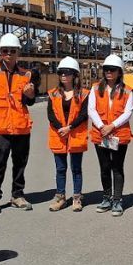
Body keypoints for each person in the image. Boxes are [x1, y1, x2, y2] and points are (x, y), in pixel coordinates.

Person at [0, 33, 38, 214]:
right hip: (0, 126)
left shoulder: (26, 74)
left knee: (20, 163)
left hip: (21, 126)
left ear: (18, 52)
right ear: (0, 52)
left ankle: (17, 195)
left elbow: (29, 102)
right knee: (0, 162)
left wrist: (30, 96)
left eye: (13, 50)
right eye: (5, 50)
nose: (9, 54)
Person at [89, 54, 133, 217]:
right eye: (106, 69)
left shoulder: (127, 90)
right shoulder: (95, 88)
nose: (109, 72)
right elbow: (91, 109)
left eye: (112, 69)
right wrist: (102, 126)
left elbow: (128, 112)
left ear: (119, 71)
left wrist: (112, 126)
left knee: (117, 167)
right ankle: (106, 197)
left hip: (118, 134)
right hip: (101, 133)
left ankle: (117, 200)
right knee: (104, 167)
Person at [46, 56, 89, 212]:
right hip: (59, 135)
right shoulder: (53, 93)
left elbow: (84, 115)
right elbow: (50, 115)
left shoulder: (83, 94)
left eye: (67, 72)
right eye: (61, 72)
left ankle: (77, 198)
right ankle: (60, 197)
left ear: (74, 75)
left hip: (75, 135)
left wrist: (69, 127)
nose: (63, 75)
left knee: (76, 168)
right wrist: (60, 128)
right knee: (60, 168)